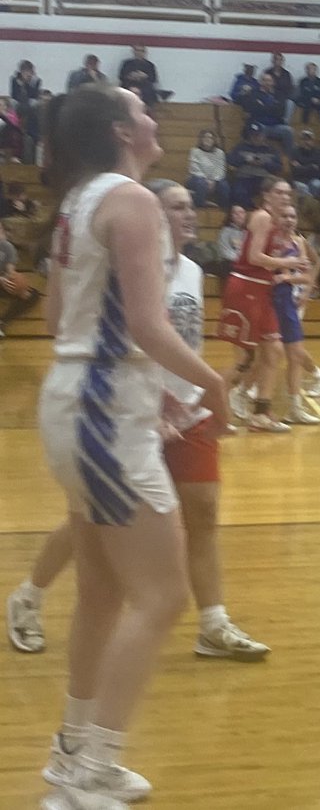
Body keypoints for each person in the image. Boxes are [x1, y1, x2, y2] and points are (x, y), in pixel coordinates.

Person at [33, 85, 228, 808]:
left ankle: (69, 757)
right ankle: (91, 774)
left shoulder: (79, 199)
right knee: (163, 595)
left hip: (76, 404)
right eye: (143, 110)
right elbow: (148, 325)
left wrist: (157, 387)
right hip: (103, 416)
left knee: (102, 593)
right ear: (123, 130)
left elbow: (58, 315)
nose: (154, 118)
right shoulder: (133, 201)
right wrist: (213, 384)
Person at [8, 180, 268, 671]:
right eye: (175, 206)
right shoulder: (131, 264)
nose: (188, 214)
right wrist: (159, 399)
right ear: (152, 213)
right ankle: (28, 597)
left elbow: (184, 342)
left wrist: (202, 389)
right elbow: (130, 337)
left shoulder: (191, 269)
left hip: (185, 410)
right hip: (130, 410)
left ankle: (213, 623)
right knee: (87, 520)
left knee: (204, 512)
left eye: (191, 206)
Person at [218, 176, 307, 433]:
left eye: (288, 193)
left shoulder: (277, 225)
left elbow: (270, 259)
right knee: (245, 359)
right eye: (280, 193)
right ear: (267, 195)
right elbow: (254, 257)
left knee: (274, 351)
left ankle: (261, 413)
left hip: (262, 289)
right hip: (246, 286)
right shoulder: (262, 217)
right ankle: (213, 408)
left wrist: (285, 263)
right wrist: (287, 264)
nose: (285, 197)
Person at [268, 202, 320, 425]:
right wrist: (285, 272)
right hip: (269, 300)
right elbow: (269, 272)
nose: (289, 220)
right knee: (260, 355)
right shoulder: (271, 241)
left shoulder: (298, 242)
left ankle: (295, 408)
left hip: (286, 300)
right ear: (276, 219)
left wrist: (289, 278)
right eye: (284, 216)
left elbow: (306, 276)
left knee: (294, 354)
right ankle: (240, 393)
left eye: (293, 216)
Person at [0, 217, 39, 337]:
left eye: (1, 229)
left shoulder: (7, 248)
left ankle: (2, 322)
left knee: (32, 294)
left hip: (2, 283)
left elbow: (10, 270)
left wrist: (17, 285)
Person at [185, 129, 230, 210]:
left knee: (224, 185)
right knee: (201, 183)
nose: (207, 139)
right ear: (201, 139)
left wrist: (214, 180)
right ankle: (200, 206)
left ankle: (223, 209)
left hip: (215, 179)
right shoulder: (195, 151)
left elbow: (220, 169)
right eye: (205, 137)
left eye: (210, 137)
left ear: (214, 140)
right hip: (197, 178)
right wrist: (206, 180)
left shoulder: (220, 153)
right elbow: (194, 168)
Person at [213, 204, 248, 286]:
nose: (240, 216)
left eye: (242, 213)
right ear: (231, 216)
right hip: (230, 263)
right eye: (236, 213)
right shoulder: (225, 231)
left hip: (243, 262)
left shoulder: (247, 232)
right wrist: (239, 260)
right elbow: (225, 251)